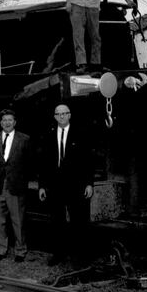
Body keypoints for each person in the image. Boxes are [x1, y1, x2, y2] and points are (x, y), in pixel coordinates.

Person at [38, 103, 94, 266]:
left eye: (64, 113)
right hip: (55, 185)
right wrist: (42, 185)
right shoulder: (48, 135)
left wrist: (89, 184)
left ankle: (81, 257)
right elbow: (44, 163)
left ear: (69, 115)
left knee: (80, 221)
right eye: (58, 114)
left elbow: (88, 161)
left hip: (77, 184)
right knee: (57, 221)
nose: (61, 116)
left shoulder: (81, 134)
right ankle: (58, 254)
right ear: (55, 117)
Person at [0, 108, 34, 263]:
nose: (7, 123)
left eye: (10, 120)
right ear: (1, 123)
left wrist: (23, 181)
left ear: (15, 122)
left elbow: (29, 162)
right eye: (4, 120)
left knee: (17, 220)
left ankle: (20, 250)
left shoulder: (24, 139)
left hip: (16, 185)